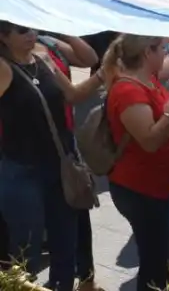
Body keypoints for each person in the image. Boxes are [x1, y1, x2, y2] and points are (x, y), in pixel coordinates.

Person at [0, 21, 105, 291]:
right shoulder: (3, 68)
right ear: (4, 37)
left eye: (31, 27)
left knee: (65, 242)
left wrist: (104, 75)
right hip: (22, 172)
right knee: (27, 251)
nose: (31, 34)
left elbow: (73, 95)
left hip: (60, 166)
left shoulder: (44, 57)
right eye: (22, 31)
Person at [104, 35, 169, 291]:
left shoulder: (148, 79)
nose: (165, 53)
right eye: (162, 48)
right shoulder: (128, 90)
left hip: (160, 188)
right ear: (146, 53)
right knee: (155, 264)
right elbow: (150, 141)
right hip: (142, 191)